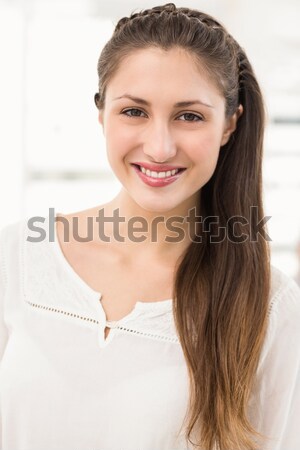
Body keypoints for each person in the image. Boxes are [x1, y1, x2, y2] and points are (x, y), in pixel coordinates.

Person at [0, 3, 300, 450]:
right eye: (134, 112)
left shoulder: (270, 306)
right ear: (101, 113)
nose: (159, 147)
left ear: (229, 124)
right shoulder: (16, 257)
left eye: (190, 116)